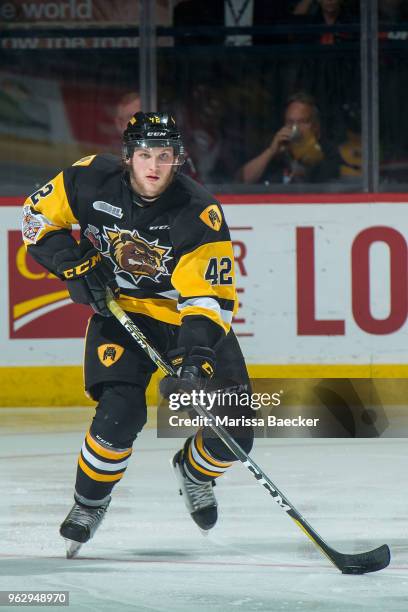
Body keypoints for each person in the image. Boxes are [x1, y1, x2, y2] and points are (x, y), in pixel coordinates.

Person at [22, 112, 254, 556]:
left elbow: (208, 298)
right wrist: (70, 262)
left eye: (164, 155)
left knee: (236, 431)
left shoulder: (198, 212)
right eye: (145, 154)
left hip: (187, 321)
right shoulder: (88, 179)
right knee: (119, 415)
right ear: (128, 156)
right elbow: (35, 218)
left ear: (177, 160)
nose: (154, 165)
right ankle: (88, 505)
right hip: (121, 312)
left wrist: (195, 357)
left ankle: (194, 472)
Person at [238, 92, 340, 184]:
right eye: (290, 122)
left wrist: (311, 155)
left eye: (302, 122)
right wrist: (271, 151)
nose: (295, 128)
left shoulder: (328, 151)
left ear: (316, 126)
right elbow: (241, 181)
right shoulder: (276, 149)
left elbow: (333, 185)